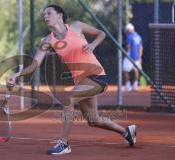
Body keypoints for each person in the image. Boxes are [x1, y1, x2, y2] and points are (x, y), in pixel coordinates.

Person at [7, 5, 136, 155]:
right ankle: (127, 132)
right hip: (81, 81)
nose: (45, 16)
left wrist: (93, 45)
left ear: (60, 15)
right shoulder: (48, 41)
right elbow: (34, 64)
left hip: (97, 75)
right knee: (93, 120)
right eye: (44, 14)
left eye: (49, 13)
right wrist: (16, 75)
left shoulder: (76, 26)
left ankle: (64, 143)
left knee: (68, 100)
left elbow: (101, 34)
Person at [123, 23, 143, 91]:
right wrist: (140, 57)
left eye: (127, 30)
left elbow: (128, 47)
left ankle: (128, 86)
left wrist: (126, 53)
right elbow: (140, 48)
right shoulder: (139, 36)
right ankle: (135, 85)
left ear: (129, 30)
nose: (127, 32)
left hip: (129, 56)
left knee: (125, 70)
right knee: (136, 70)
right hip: (137, 56)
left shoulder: (129, 36)